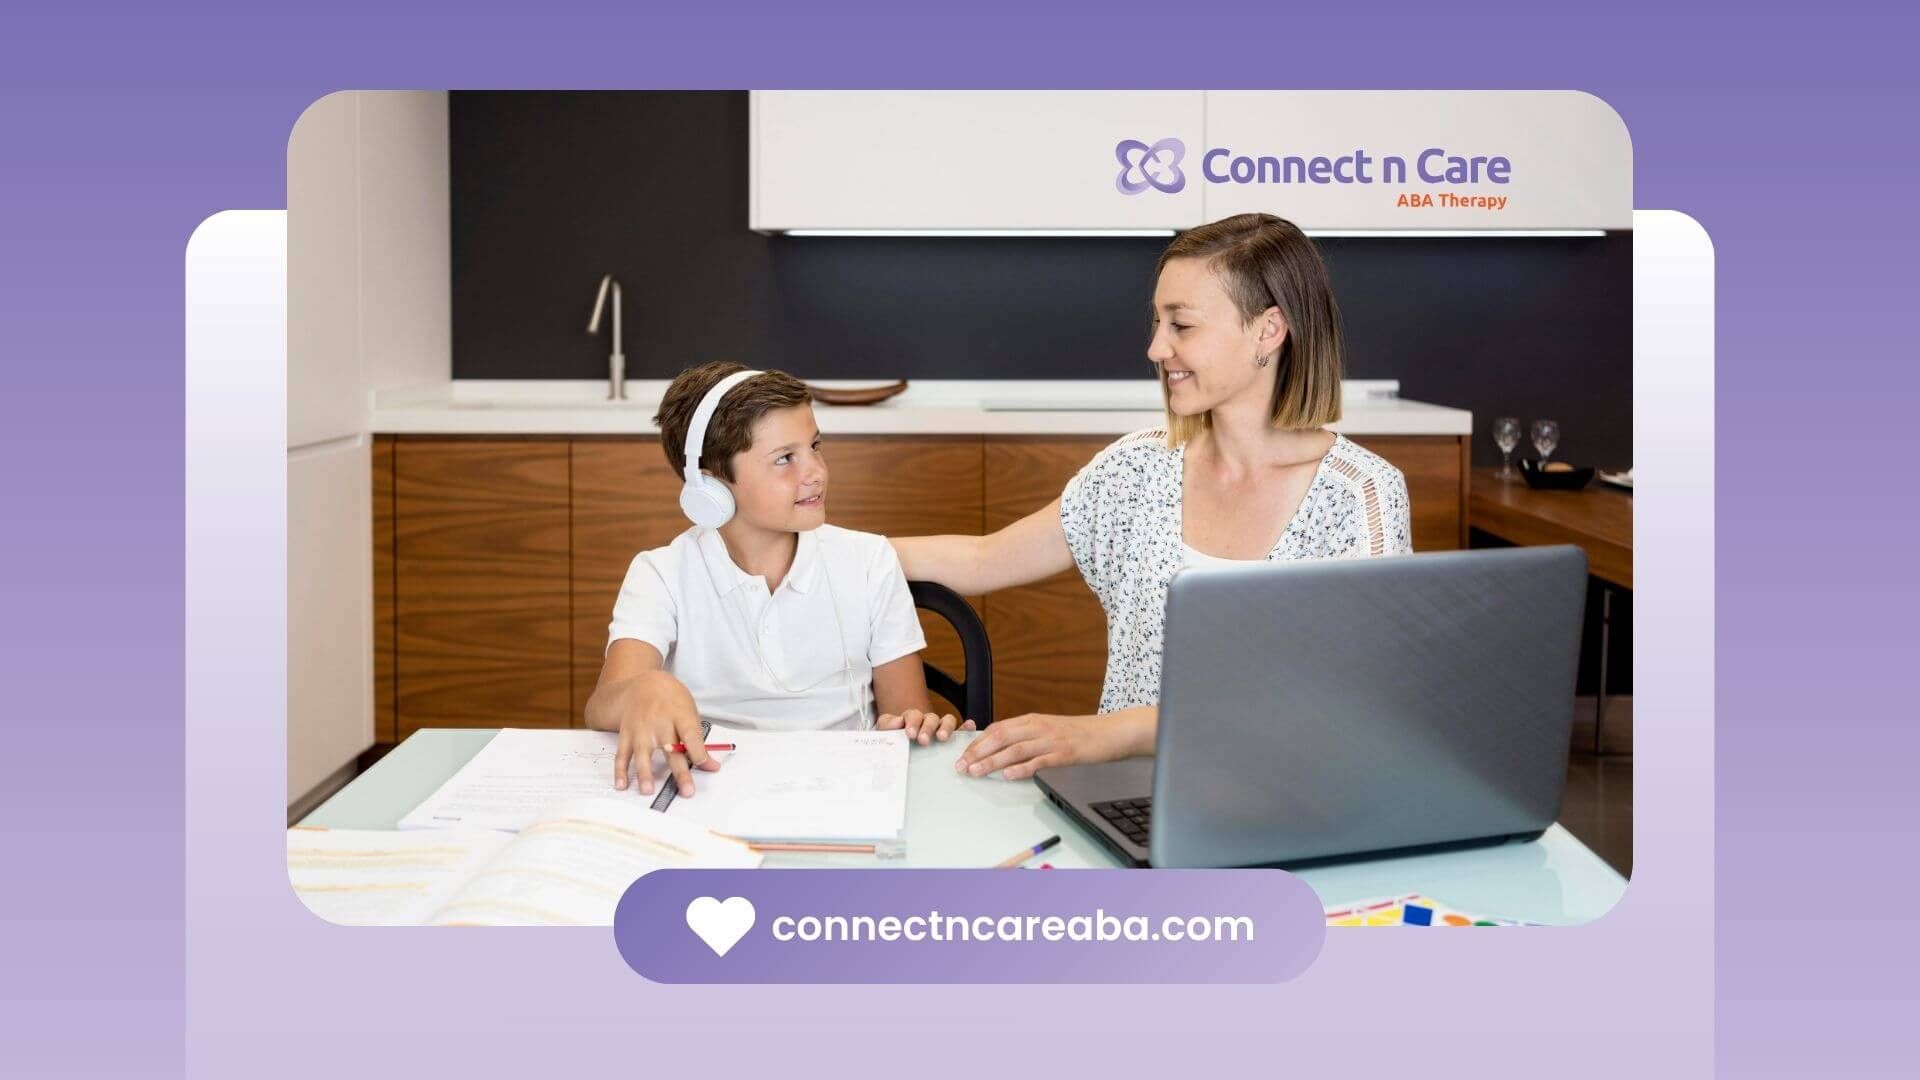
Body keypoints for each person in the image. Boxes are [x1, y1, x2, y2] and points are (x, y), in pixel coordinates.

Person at [893, 213, 1412, 780]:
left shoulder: (1359, 496)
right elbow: (983, 558)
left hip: (1289, 802)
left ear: (1268, 330)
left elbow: (1349, 711)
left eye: (1181, 326)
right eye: (1158, 322)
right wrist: (804, 546)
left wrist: (1109, 733)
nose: (1155, 347)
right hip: (1125, 801)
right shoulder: (1136, 470)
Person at [585, 361, 968, 797]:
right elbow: (602, 705)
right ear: (710, 487)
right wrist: (642, 688)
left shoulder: (868, 561)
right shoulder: (662, 573)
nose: (815, 471)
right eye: (785, 458)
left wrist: (913, 725)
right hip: (710, 793)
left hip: (842, 792)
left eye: (815, 446)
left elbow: (908, 715)